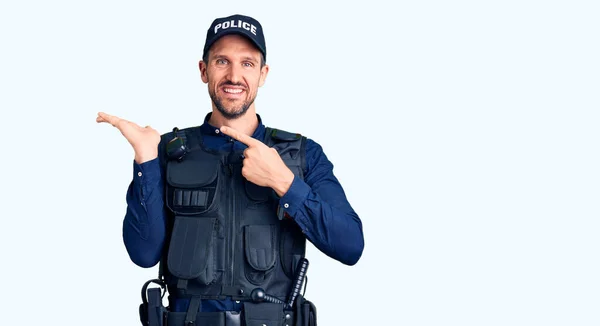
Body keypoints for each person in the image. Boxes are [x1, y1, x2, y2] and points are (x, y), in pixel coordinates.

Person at [97, 13, 364, 326]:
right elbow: (143, 253)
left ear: (263, 73)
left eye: (247, 63)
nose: (234, 76)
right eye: (222, 61)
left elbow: (350, 246)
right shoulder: (166, 151)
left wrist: (283, 182)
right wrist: (145, 159)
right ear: (203, 70)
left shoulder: (302, 155)